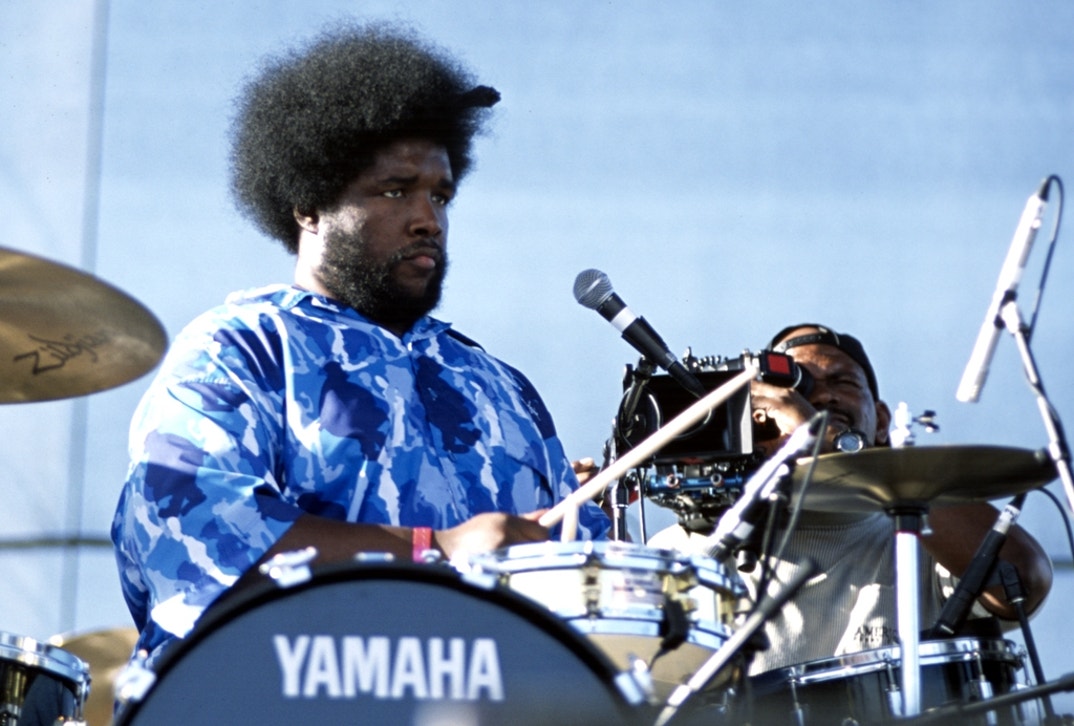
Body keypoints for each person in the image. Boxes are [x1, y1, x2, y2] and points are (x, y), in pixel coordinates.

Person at [111, 22, 609, 665]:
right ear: (309, 205)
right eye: (395, 190)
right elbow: (191, 535)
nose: (428, 218)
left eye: (440, 194)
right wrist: (436, 549)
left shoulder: (500, 389)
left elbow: (592, 584)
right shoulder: (241, 352)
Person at [649, 323, 1052, 678]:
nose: (820, 398)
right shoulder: (686, 547)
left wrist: (834, 449)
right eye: (798, 386)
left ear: (880, 422)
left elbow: (1024, 579)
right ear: (759, 415)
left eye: (842, 383)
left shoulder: (921, 532)